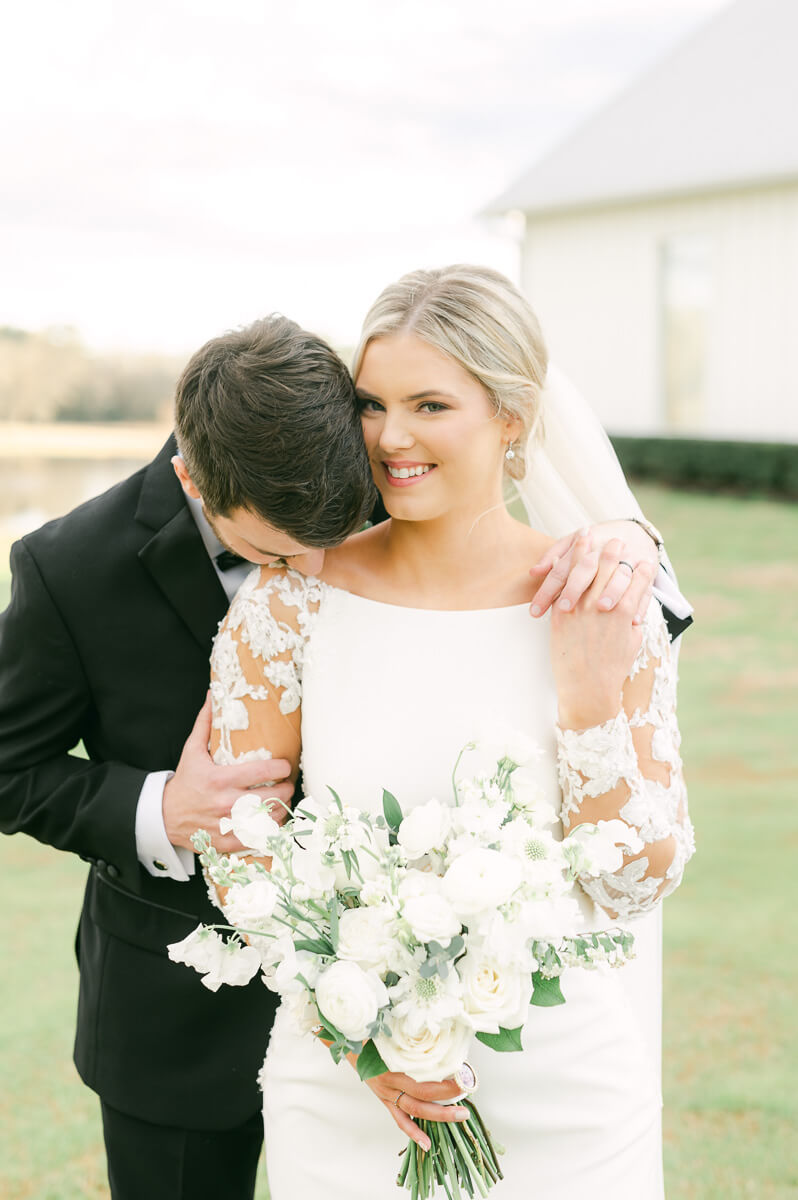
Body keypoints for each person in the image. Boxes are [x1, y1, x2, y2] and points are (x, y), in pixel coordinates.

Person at [0, 307, 684, 1200]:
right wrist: (163, 810)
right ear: (193, 483)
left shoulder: (360, 465)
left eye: (333, 535)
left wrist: (627, 538)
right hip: (180, 1007)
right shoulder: (71, 565)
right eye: (276, 552)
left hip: (498, 1019)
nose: (317, 568)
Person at [207, 266, 694, 1199]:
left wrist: (590, 700)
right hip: (347, 1087)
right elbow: (241, 862)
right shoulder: (288, 607)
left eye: (431, 404)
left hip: (565, 1091)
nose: (393, 438)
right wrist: (365, 1044)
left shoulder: (600, 600)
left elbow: (636, 883)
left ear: (512, 417)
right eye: (373, 404)